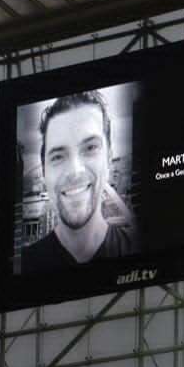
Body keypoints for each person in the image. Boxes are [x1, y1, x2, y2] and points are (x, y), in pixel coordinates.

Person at [20, 90, 139, 273]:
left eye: (90, 147)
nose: (75, 171)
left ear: (109, 158)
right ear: (44, 171)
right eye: (58, 156)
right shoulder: (24, 266)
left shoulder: (139, 248)